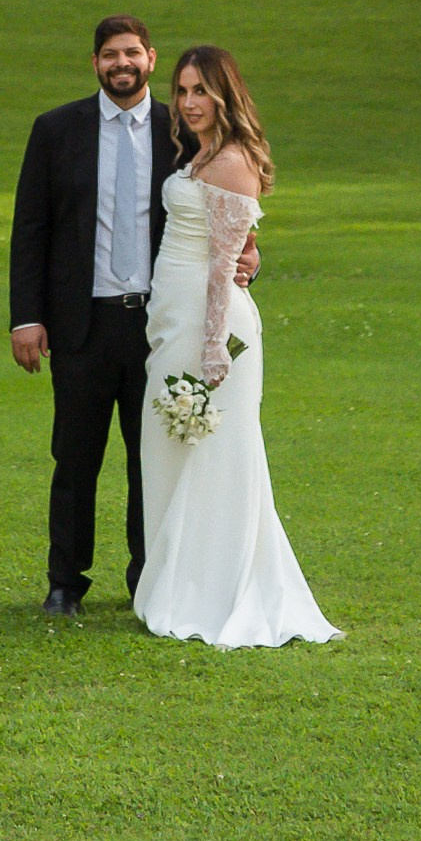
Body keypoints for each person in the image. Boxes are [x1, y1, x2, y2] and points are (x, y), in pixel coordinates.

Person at [7, 12, 256, 619]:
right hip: (81, 323)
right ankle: (65, 582)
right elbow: (30, 228)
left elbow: (228, 210)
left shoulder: (183, 130)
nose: (121, 64)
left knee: (156, 454)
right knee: (75, 457)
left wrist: (251, 257)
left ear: (150, 58)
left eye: (132, 53)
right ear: (95, 63)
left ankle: (149, 576)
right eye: (110, 54)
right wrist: (26, 316)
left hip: (159, 324)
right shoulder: (56, 129)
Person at [133, 42, 340, 649]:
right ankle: (177, 581)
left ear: (225, 94)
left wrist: (213, 347)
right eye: (182, 90)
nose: (189, 102)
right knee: (171, 450)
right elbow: (239, 243)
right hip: (174, 321)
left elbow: (225, 265)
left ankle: (216, 590)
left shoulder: (231, 160)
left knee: (217, 455)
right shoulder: (198, 155)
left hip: (211, 327)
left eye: (201, 90)